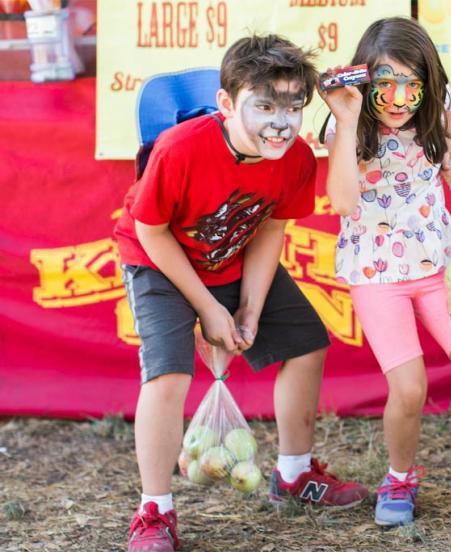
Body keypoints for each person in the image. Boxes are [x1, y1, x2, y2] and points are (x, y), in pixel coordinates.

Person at [115, 35, 368, 552]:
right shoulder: (181, 148)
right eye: (266, 106)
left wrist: (250, 305)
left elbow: (271, 225)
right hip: (159, 259)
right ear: (229, 104)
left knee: (307, 344)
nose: (282, 121)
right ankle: (154, 510)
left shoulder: (296, 157)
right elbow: (151, 231)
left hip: (234, 253)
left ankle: (294, 475)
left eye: (294, 107)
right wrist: (207, 307)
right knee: (168, 373)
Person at [319, 17, 451, 527]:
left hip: (437, 265)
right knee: (409, 389)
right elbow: (342, 202)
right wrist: (345, 121)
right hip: (376, 274)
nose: (400, 96)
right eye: (386, 83)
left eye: (412, 82)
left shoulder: (442, 101)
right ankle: (400, 476)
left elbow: (447, 149)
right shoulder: (347, 123)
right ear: (366, 80)